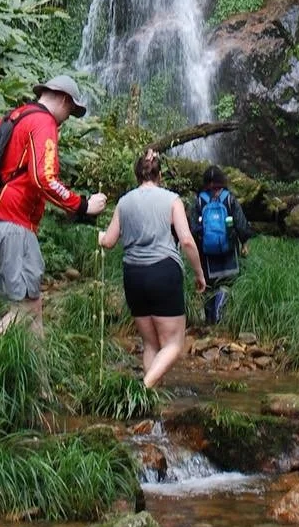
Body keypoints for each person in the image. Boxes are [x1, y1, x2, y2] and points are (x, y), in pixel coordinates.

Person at [0, 74, 106, 335]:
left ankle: (36, 375)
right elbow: (43, 178)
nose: (67, 118)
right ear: (63, 99)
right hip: (13, 226)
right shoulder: (43, 122)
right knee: (24, 310)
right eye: (70, 110)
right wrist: (82, 205)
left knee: (30, 306)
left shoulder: (13, 118)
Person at [97, 148, 205, 389]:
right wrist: (199, 274)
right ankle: (144, 389)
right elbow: (186, 240)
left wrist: (101, 236)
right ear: (160, 175)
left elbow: (110, 241)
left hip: (133, 275)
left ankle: (153, 412)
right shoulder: (171, 200)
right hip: (163, 272)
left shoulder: (124, 202)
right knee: (175, 344)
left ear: (137, 174)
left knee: (152, 345)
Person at [191, 164, 253, 325]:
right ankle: (221, 316)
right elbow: (240, 223)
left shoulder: (199, 200)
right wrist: (244, 242)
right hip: (228, 251)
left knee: (208, 285)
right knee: (227, 283)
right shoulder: (229, 198)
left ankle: (209, 320)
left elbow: (193, 227)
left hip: (206, 253)